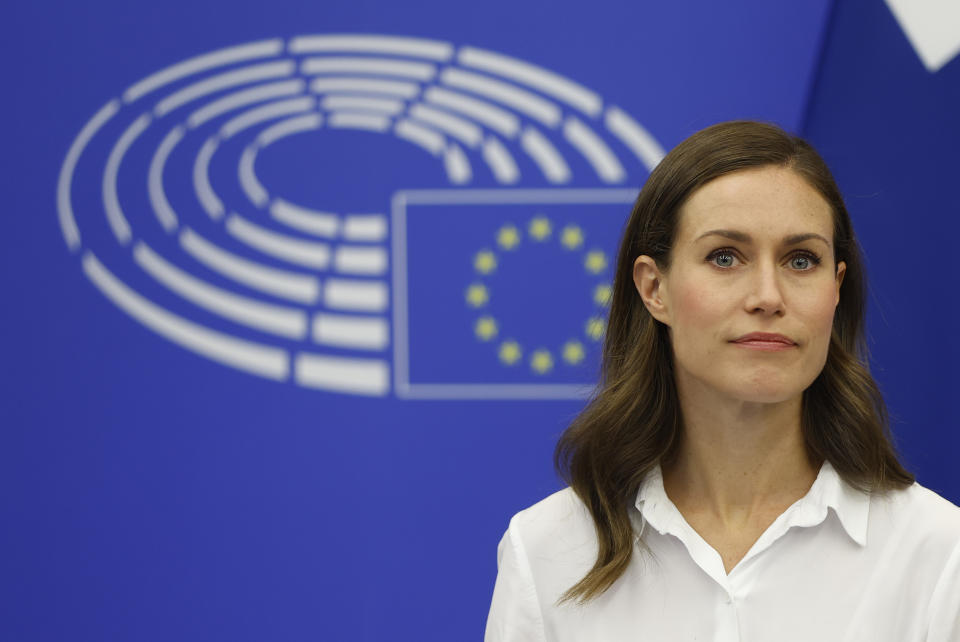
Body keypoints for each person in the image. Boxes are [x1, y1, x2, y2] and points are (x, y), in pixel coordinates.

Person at [484, 121, 960, 641]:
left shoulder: (938, 554)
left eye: (801, 260)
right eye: (725, 257)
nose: (767, 296)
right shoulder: (548, 551)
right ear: (653, 287)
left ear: (836, 287)